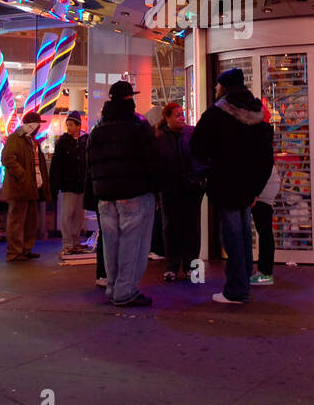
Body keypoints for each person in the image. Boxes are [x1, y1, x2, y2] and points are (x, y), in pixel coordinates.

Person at [191, 67, 274, 306]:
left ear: (224, 87)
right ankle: (243, 282)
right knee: (244, 235)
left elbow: (198, 147)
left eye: (218, 86)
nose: (216, 90)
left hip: (225, 184)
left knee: (232, 236)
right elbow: (266, 158)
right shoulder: (258, 114)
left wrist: (208, 169)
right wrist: (256, 188)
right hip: (248, 188)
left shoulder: (216, 115)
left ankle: (236, 290)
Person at [86, 80, 161, 307]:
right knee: (133, 241)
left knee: (111, 242)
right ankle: (125, 290)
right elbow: (151, 160)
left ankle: (113, 286)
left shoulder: (98, 128)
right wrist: (156, 190)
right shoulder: (138, 125)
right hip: (134, 192)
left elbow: (90, 165)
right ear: (130, 99)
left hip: (105, 196)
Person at [155, 102, 205, 282]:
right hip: (171, 189)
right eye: (178, 115)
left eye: (182, 114)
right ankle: (173, 266)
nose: (182, 118)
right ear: (167, 118)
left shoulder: (189, 134)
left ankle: (189, 266)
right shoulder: (160, 138)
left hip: (190, 188)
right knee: (172, 227)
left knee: (190, 227)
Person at [1, 112, 50, 261]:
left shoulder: (31, 141)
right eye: (38, 125)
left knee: (30, 221)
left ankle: (25, 249)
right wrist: (23, 175)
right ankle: (15, 251)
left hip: (30, 187)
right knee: (17, 220)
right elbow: (7, 159)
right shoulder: (15, 139)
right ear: (32, 125)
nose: (39, 128)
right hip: (19, 188)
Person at [49, 112, 90, 256]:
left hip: (81, 184)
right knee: (67, 214)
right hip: (68, 184)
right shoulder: (63, 142)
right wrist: (55, 183)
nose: (68, 127)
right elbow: (56, 164)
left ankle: (75, 240)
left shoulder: (86, 141)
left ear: (79, 126)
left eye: (71, 125)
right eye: (68, 125)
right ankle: (67, 243)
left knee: (79, 215)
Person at [251, 158, 281, 286]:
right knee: (265, 231)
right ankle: (265, 272)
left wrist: (255, 193)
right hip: (268, 184)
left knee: (264, 231)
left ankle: (265, 273)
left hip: (263, 187)